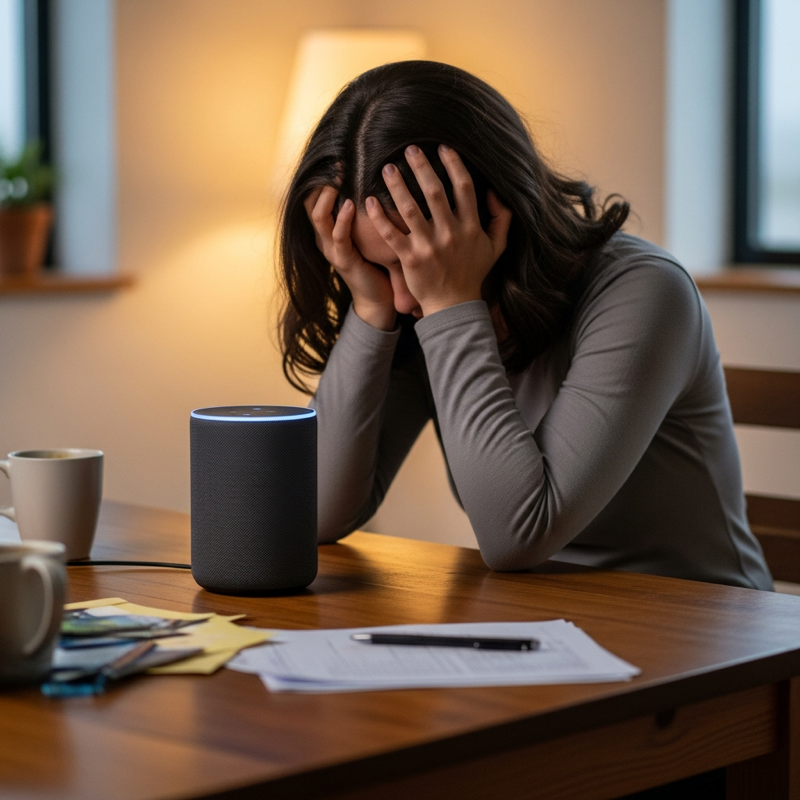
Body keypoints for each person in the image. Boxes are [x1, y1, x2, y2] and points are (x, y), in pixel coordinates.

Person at [278, 60, 772, 591]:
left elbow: (518, 535)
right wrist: (369, 309)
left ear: (492, 211)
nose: (402, 295)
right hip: (536, 630)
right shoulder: (411, 304)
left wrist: (449, 304)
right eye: (378, 266)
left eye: (413, 263)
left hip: (707, 638)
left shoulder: (648, 293)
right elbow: (315, 515)